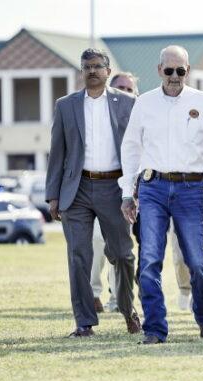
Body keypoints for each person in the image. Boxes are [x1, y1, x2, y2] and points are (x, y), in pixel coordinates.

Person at [119, 45, 203, 344]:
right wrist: (127, 193)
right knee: (150, 259)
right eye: (168, 70)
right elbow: (130, 148)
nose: (174, 76)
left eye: (180, 70)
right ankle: (155, 329)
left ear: (188, 71)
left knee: (197, 261)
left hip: (191, 188)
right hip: (152, 187)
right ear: (159, 71)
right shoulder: (144, 103)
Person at [45, 48, 140, 337]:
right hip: (77, 189)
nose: (92, 71)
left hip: (115, 187)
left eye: (98, 66)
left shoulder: (129, 103)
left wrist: (136, 189)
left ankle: (128, 310)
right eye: (87, 67)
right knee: (78, 255)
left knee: (123, 255)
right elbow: (57, 151)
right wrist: (53, 194)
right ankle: (84, 322)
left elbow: (138, 147)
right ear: (82, 71)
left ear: (108, 71)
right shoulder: (66, 105)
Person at [90, 72, 140, 314]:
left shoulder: (142, 115)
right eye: (119, 87)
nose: (124, 92)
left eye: (129, 89)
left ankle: (120, 298)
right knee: (103, 241)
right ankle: (96, 292)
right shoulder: (102, 116)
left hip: (141, 190)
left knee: (128, 249)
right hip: (109, 188)